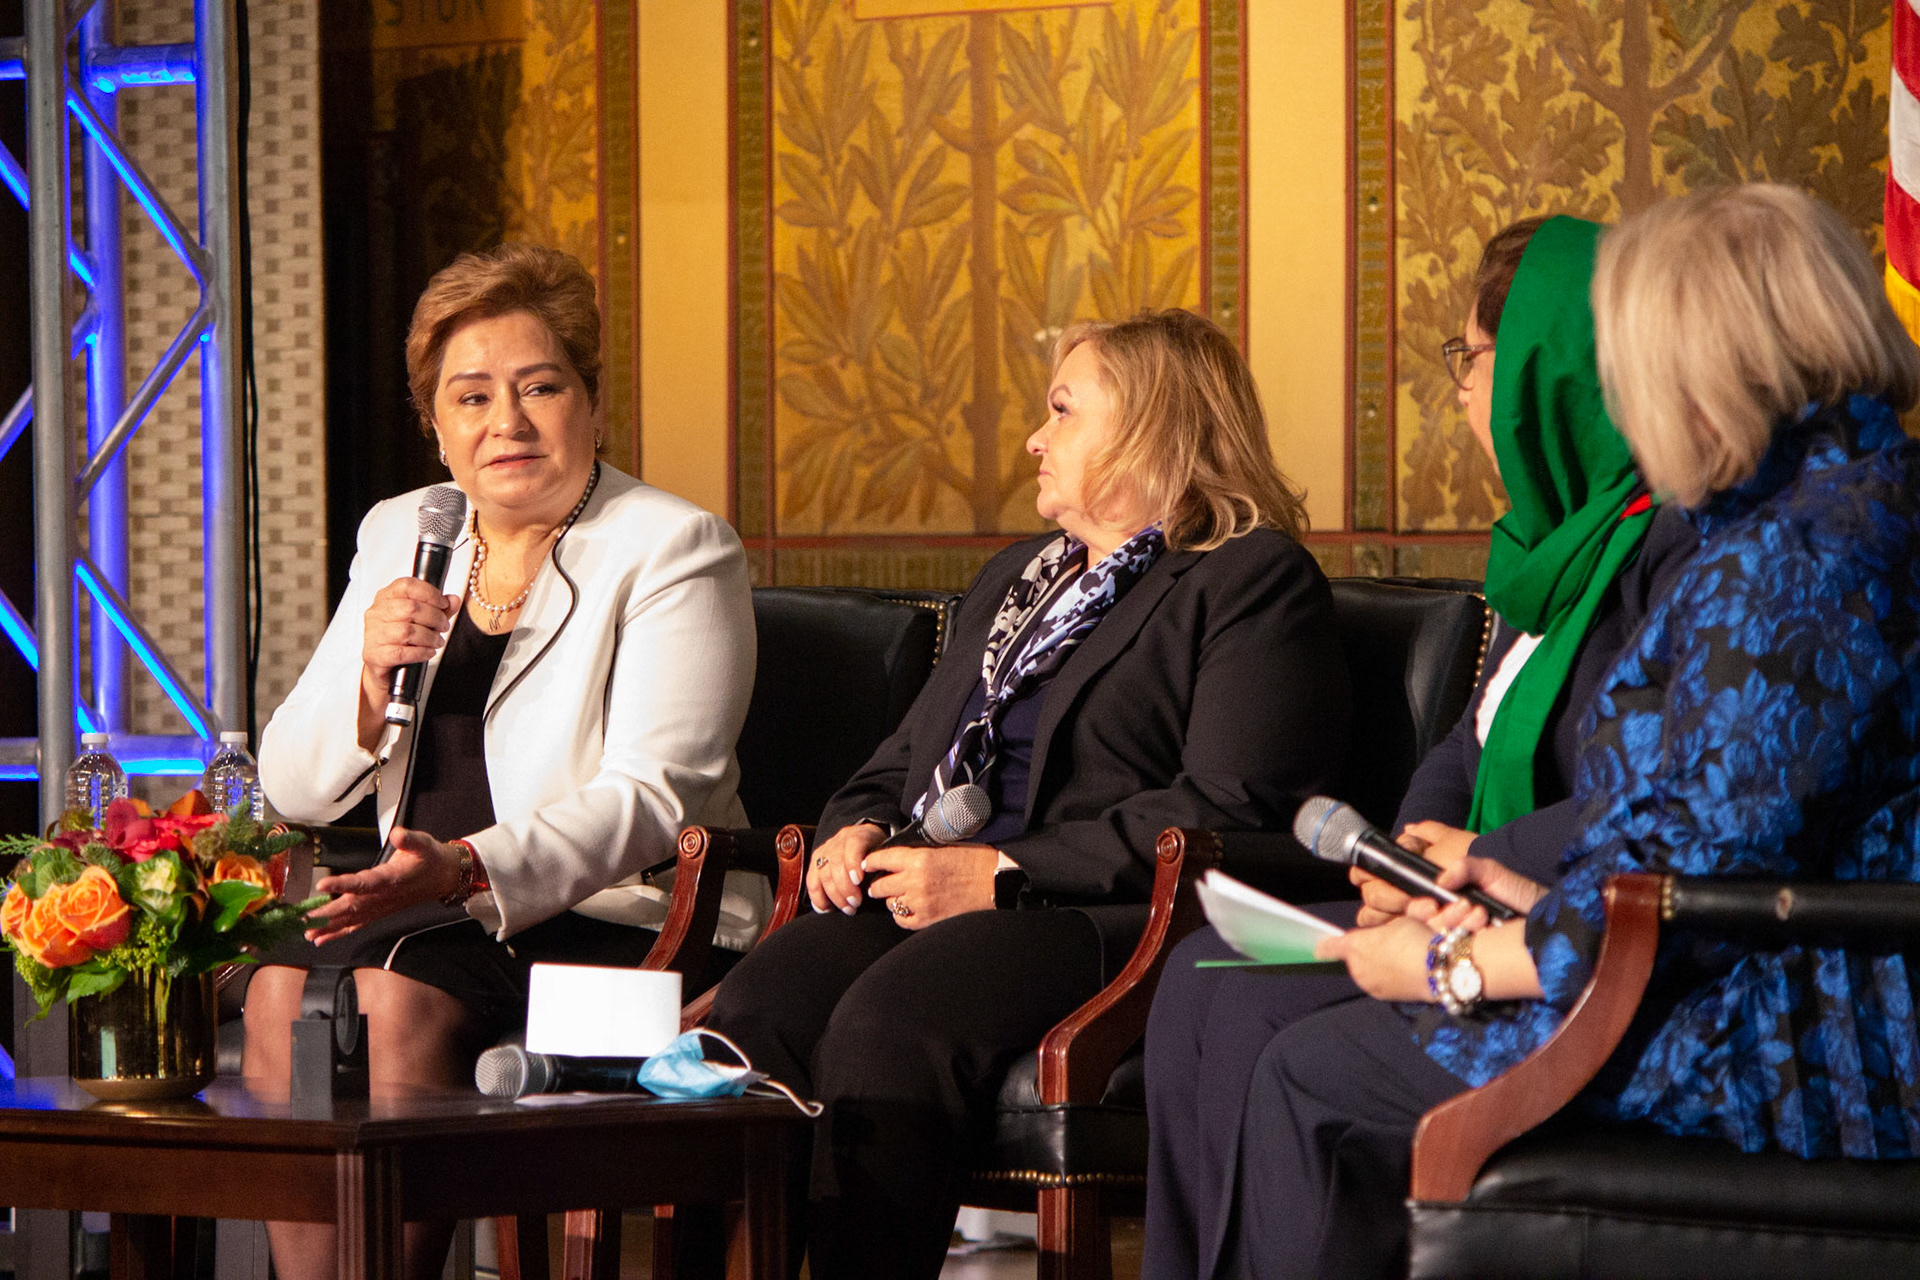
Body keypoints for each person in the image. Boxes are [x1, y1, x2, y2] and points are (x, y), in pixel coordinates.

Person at [1224, 183, 1920, 1279]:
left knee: (1315, 1077)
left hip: (1803, 1027)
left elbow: (1704, 880)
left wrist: (1453, 966)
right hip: (1736, 958)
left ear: (1700, 363)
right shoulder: (1820, 505)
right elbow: (1700, 838)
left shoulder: (1805, 556)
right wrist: (1521, 898)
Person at [700, 308, 1351, 1279]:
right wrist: (856, 826)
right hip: (933, 893)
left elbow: (1228, 801)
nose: (1035, 440)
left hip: (1100, 913)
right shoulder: (1019, 578)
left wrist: (1003, 870)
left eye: (1062, 410)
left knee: (887, 1023)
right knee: (757, 1007)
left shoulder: (1246, 579)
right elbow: (905, 754)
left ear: (1152, 426)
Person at [1142, 213, 1701, 1278]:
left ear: (1549, 365)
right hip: (1457, 892)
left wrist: (1469, 871)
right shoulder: (1550, 548)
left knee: (1271, 1022)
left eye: (1474, 353)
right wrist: (1394, 857)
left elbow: (1660, 787)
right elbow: (1466, 737)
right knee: (1202, 972)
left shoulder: (1670, 548)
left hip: (1557, 914)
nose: (1457, 381)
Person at [247, 243, 760, 1280]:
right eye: (470, 396)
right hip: (422, 913)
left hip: (621, 922)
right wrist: (363, 673)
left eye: (540, 387)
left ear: (592, 403)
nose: (507, 423)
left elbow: (655, 796)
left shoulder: (673, 546)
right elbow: (291, 785)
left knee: (388, 993)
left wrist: (467, 865)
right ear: (435, 427)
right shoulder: (401, 532)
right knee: (276, 987)